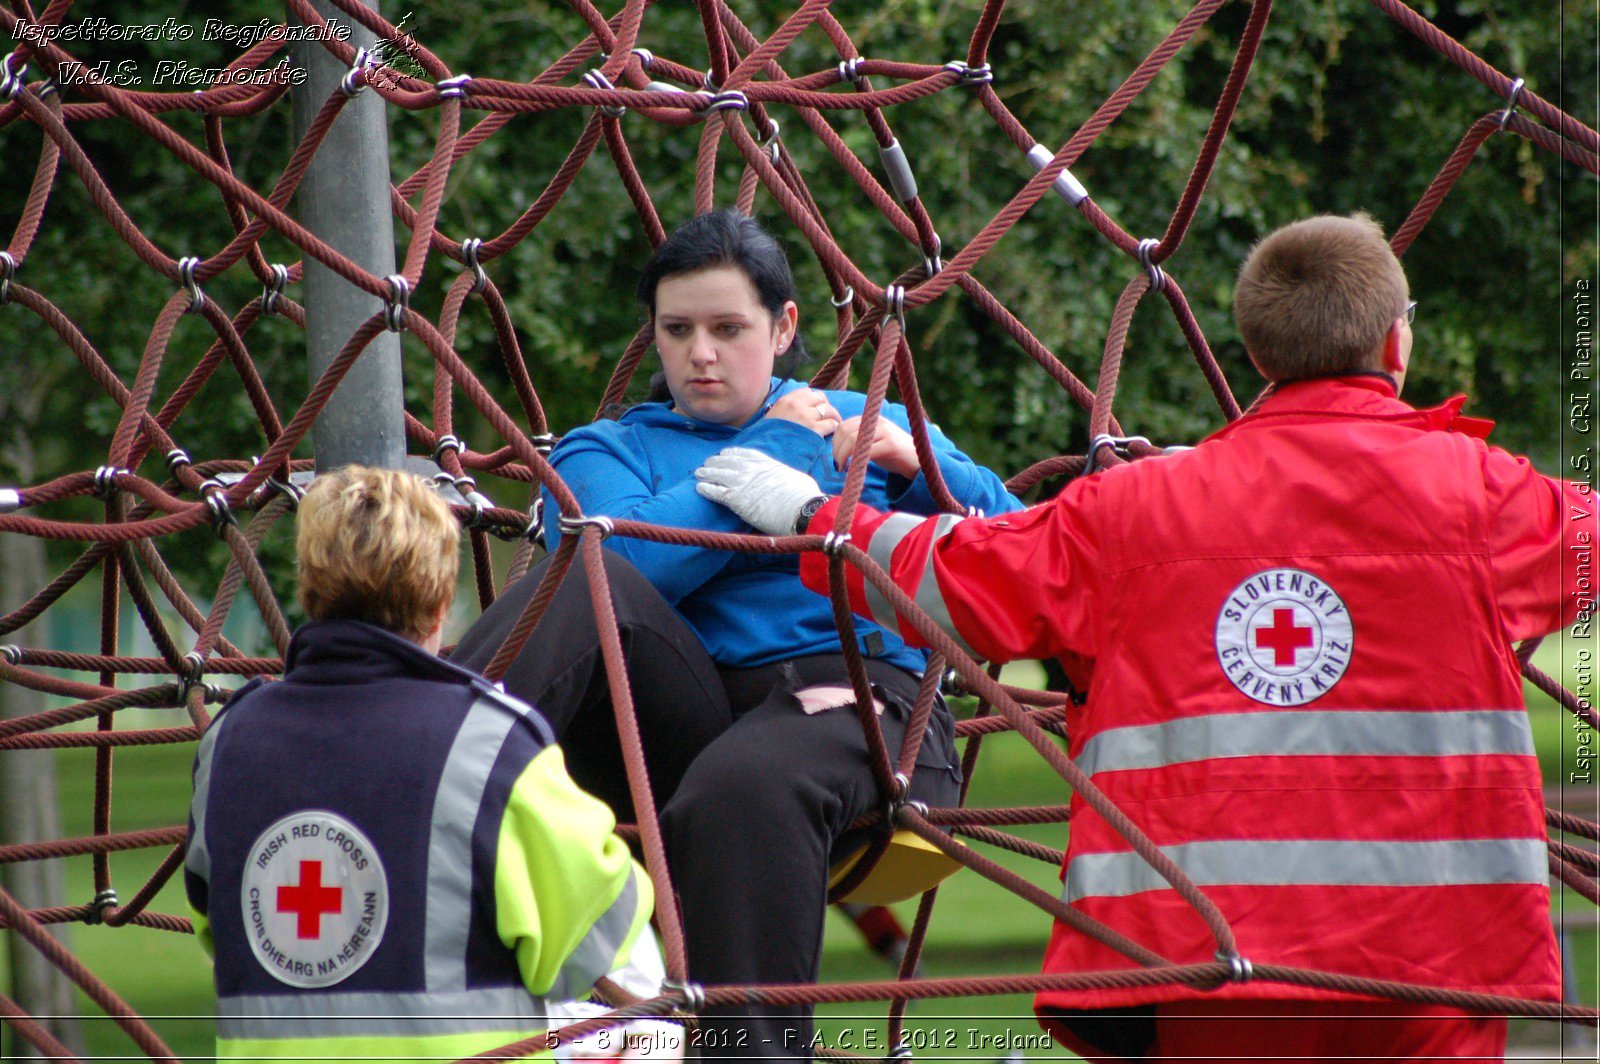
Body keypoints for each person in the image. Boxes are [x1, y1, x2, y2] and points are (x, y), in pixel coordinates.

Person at [695, 213, 1591, 1062]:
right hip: (1434, 954)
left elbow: (957, 577)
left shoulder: (1134, 510)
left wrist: (815, 514)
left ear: (1254, 353)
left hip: (1206, 951)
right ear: (1398, 340)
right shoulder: (1488, 498)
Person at [450, 209, 1024, 1058]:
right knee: (586, 564)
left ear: (784, 326)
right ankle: (423, 745)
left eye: (728, 329)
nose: (701, 354)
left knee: (743, 785)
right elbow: (620, 570)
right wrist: (768, 458)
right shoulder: (610, 449)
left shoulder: (861, 425)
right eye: (677, 330)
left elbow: (1019, 554)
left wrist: (919, 466)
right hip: (684, 717)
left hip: (862, 705)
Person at [184, 466, 653, 1062]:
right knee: (655, 1028)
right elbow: (597, 933)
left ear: (309, 591)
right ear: (438, 606)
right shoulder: (490, 743)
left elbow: (215, 922)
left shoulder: (227, 740)